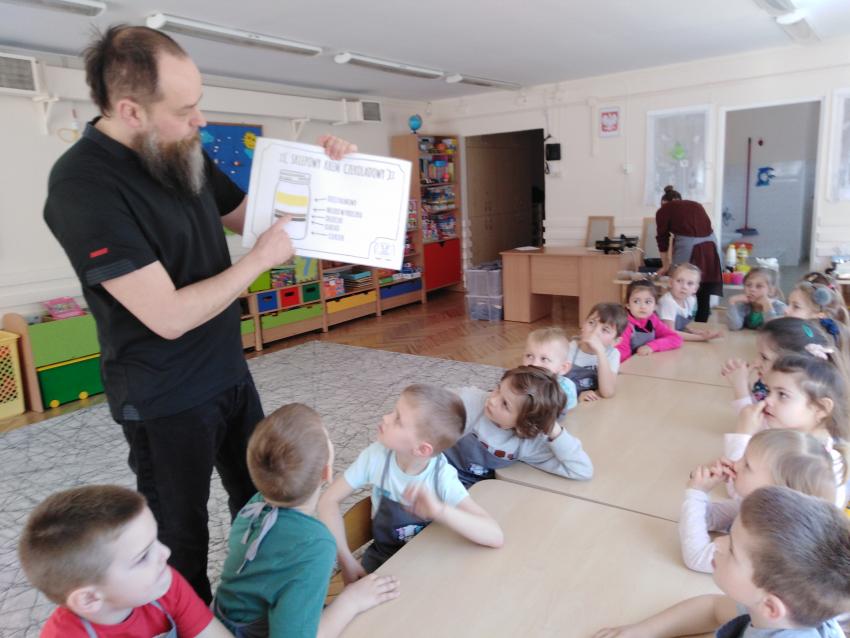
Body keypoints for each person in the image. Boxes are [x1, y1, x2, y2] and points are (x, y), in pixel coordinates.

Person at [42, 25, 357, 602]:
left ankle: (257, 605)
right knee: (179, 539)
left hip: (228, 372)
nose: (201, 120)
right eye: (186, 109)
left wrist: (331, 172)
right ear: (130, 110)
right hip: (163, 395)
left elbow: (258, 219)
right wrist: (258, 261)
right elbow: (166, 316)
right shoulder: (81, 185)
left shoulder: (180, 149)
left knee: (263, 501)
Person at [214, 403, 399, 638]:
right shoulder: (315, 544)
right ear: (326, 473)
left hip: (224, 619)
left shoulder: (254, 505)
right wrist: (352, 601)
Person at [594, 487, 850, 638]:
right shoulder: (777, 611)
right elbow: (712, 608)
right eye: (729, 534)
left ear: (771, 606)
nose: (717, 543)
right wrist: (643, 631)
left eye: (733, 550)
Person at [317, 385, 503, 578]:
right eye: (393, 412)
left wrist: (439, 511)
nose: (385, 418)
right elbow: (327, 501)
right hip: (383, 559)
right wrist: (346, 560)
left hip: (429, 560)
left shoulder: (441, 477)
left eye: (398, 419)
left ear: (422, 449)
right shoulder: (376, 457)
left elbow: (495, 535)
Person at [18, 485, 231, 637]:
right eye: (143, 556)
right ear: (89, 598)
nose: (165, 553)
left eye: (156, 540)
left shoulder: (163, 583)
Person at [679, 429, 835, 573]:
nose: (736, 464)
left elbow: (697, 558)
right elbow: (708, 518)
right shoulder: (767, 508)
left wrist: (696, 493)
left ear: (779, 489)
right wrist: (705, 483)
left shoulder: (767, 537)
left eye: (747, 465)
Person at [727, 353, 850, 508]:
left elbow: (739, 493)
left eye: (782, 395)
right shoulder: (791, 433)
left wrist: (742, 434)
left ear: (821, 408)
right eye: (769, 391)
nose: (767, 400)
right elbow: (750, 418)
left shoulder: (809, 460)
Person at [444, 366, 593, 488]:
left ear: (524, 423)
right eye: (498, 389)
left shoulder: (529, 443)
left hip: (470, 487)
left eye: (505, 404)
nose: (492, 400)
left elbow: (582, 470)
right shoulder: (468, 400)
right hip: (436, 470)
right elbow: (432, 401)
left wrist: (554, 431)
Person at [721, 317, 844, 413]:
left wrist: (740, 387)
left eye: (764, 357)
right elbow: (757, 413)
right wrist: (745, 387)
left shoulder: (797, 396)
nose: (756, 362)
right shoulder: (770, 387)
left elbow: (756, 427)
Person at [655, 185, 723, 322]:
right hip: (711, 245)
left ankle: (674, 321)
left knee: (680, 283)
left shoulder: (664, 210)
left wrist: (666, 266)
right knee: (702, 284)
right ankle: (701, 322)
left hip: (689, 247)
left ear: (663, 202)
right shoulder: (696, 205)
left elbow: (662, 239)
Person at [565, 302, 629, 401]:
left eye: (605, 330)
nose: (594, 332)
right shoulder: (569, 349)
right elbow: (554, 388)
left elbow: (608, 392)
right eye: (591, 323)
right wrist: (576, 398)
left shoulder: (612, 354)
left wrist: (600, 352)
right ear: (583, 325)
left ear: (615, 341)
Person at [616, 280, 683, 363]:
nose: (643, 306)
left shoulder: (653, 319)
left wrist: (651, 346)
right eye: (636, 301)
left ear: (655, 306)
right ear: (628, 305)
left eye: (648, 302)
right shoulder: (624, 324)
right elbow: (621, 355)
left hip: (647, 362)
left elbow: (675, 338)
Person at [657, 263, 722, 341]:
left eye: (690, 283)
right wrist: (701, 338)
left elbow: (678, 326)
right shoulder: (668, 302)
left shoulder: (690, 300)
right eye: (679, 281)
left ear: (695, 289)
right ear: (670, 283)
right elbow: (670, 332)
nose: (684, 286)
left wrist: (694, 332)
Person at [522, 327, 578, 414]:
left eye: (544, 359)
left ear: (563, 368)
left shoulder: (567, 389)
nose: (534, 364)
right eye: (529, 356)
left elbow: (570, 416)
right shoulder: (519, 380)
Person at [785, 280, 850, 352]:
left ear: (820, 315)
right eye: (788, 303)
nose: (786, 310)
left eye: (796, 307)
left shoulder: (812, 345)